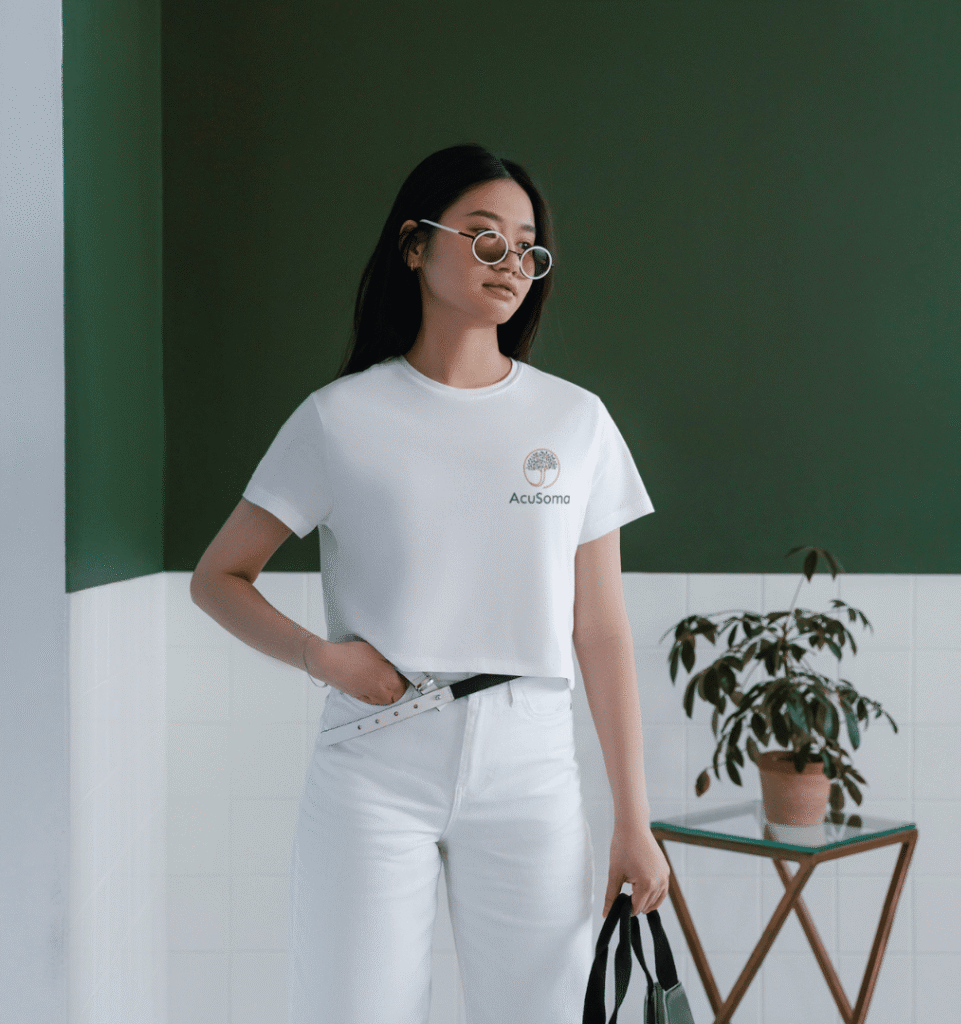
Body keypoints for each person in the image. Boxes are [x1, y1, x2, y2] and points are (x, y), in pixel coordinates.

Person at [190, 142, 671, 1024]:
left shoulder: (574, 421)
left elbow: (599, 630)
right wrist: (322, 658)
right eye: (485, 239)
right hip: (373, 759)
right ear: (415, 246)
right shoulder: (341, 418)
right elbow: (218, 577)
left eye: (527, 246)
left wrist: (633, 820)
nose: (512, 263)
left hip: (530, 763)